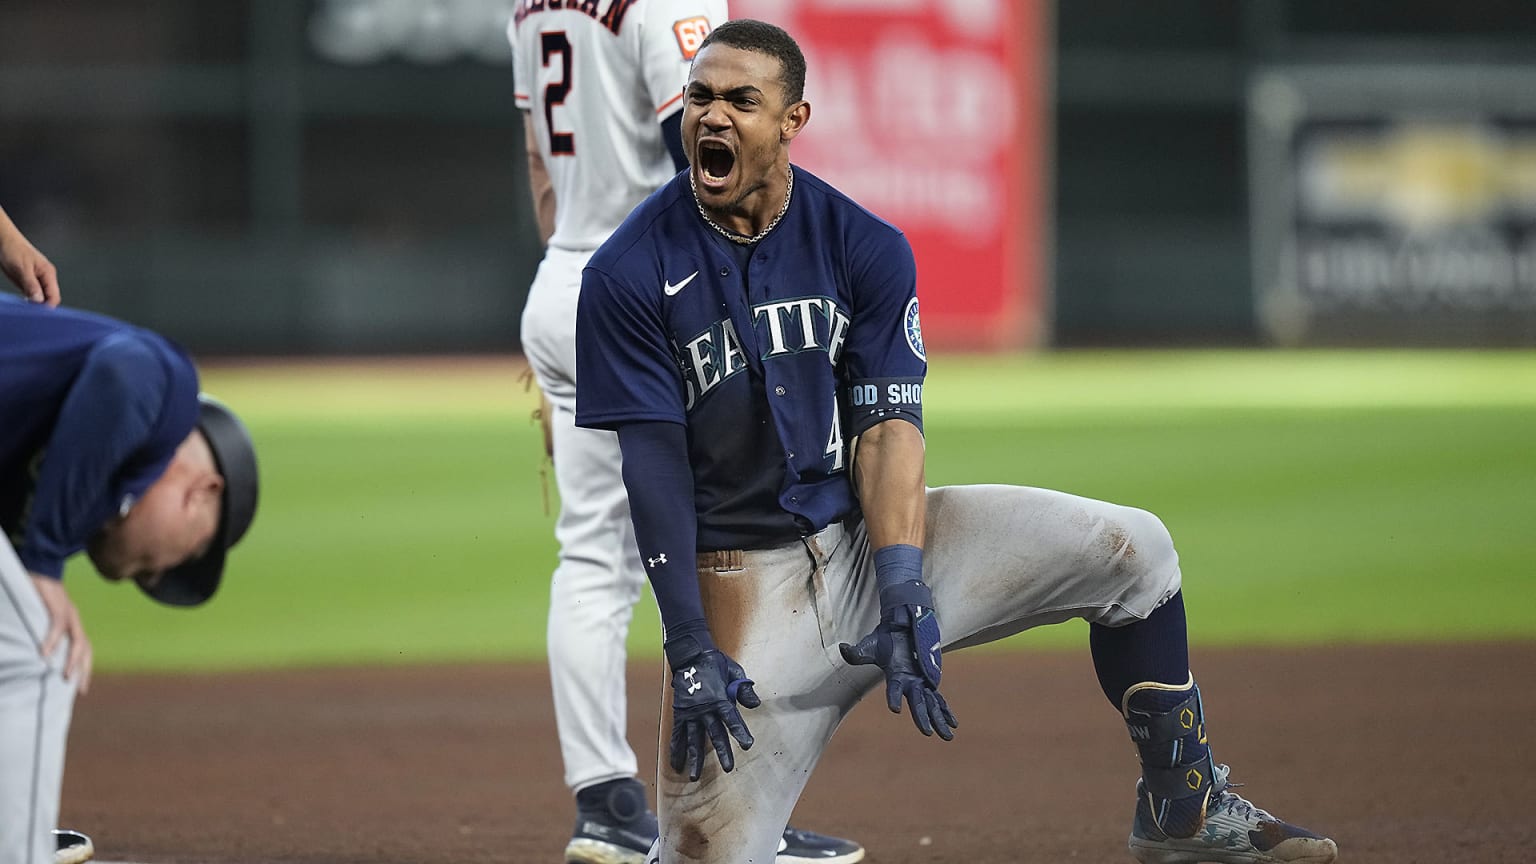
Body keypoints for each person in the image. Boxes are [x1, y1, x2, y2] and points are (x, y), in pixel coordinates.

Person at [573, 18, 1341, 864]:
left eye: (740, 101)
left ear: (793, 120)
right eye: (699, 98)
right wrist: (687, 643)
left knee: (1135, 551)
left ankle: (1183, 811)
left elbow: (887, 426)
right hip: (744, 608)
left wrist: (904, 582)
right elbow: (653, 473)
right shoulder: (627, 271)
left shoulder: (860, 243)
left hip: (865, 548)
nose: (711, 117)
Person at [507, 4, 864, 863]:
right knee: (731, 535)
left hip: (567, 278)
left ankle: (605, 805)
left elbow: (540, 169)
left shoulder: (528, 4)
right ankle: (736, 819)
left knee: (592, 556)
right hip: (659, 285)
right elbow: (707, 158)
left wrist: (571, 314)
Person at [0, 294, 260, 864]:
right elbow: (125, 370)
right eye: (185, 554)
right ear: (201, 494)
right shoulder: (169, 391)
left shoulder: (34, 465)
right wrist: (42, 560)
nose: (155, 573)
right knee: (40, 652)